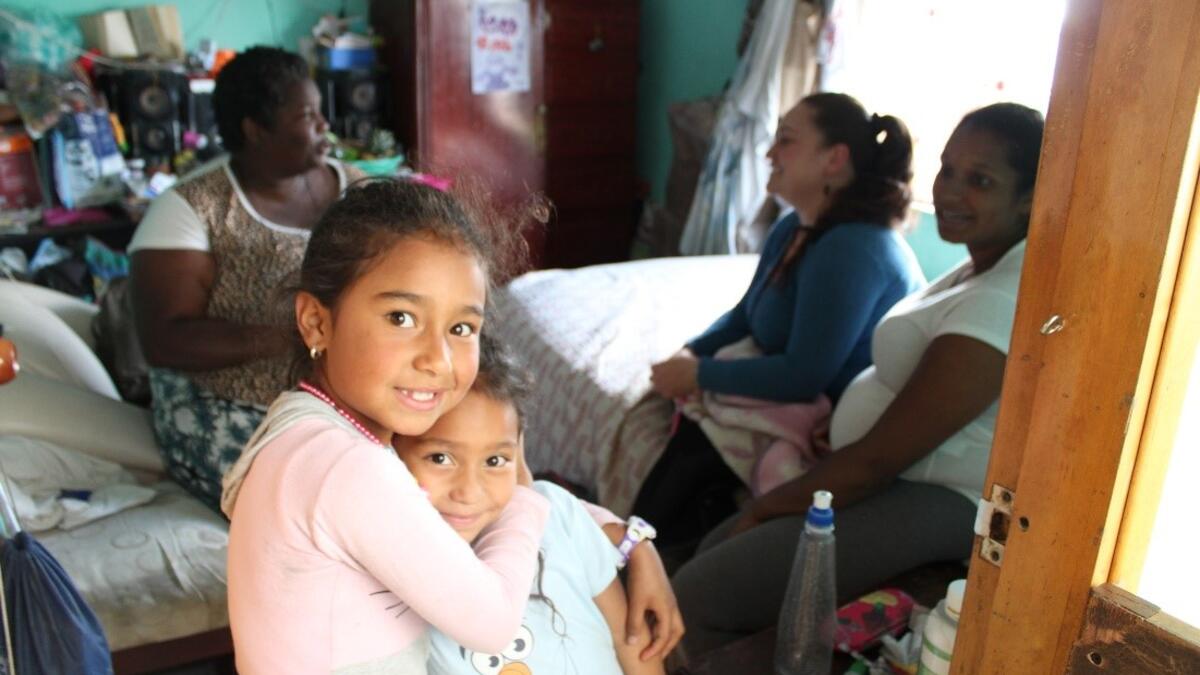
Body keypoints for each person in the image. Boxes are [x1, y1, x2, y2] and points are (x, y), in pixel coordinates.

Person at [221, 178, 681, 673]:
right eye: (401, 317)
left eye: (462, 328)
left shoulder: (304, 431)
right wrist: (523, 490)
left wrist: (631, 542)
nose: (438, 360)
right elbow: (494, 621)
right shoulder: (347, 466)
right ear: (316, 322)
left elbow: (475, 488)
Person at [671, 102, 1046, 658]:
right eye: (947, 169)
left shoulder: (1000, 299)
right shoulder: (979, 262)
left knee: (699, 594)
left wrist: (763, 507)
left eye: (981, 180)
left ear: (1029, 199)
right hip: (891, 474)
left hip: (939, 500)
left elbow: (876, 460)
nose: (949, 191)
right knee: (708, 549)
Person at [636, 93, 926, 547]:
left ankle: (648, 555)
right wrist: (691, 352)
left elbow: (803, 376)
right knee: (688, 410)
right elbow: (744, 316)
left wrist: (698, 373)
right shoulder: (794, 228)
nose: (770, 153)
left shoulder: (854, 249)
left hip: (831, 424)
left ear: (835, 159)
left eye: (785, 140)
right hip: (798, 397)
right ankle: (646, 547)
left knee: (700, 434)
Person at [128, 46, 364, 510]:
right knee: (315, 508)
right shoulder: (193, 209)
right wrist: (296, 337)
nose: (324, 126)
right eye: (308, 116)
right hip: (231, 409)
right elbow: (164, 340)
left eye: (321, 113)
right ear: (256, 130)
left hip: (346, 403)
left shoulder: (357, 190)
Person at [398, 335, 666, 675]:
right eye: (440, 458)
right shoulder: (395, 581)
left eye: (495, 460)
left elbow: (628, 639)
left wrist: (640, 546)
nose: (469, 491)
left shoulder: (557, 516)